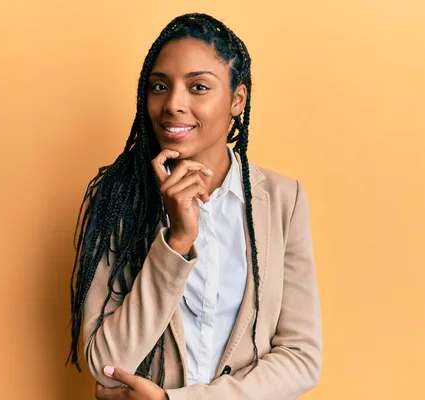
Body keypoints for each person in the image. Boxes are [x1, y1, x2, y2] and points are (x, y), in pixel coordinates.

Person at [67, 12, 322, 400]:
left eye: (198, 87)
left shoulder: (283, 200)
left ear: (237, 99)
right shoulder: (118, 199)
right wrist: (177, 240)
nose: (173, 104)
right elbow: (105, 361)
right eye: (159, 86)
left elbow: (301, 357)